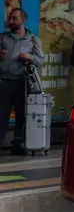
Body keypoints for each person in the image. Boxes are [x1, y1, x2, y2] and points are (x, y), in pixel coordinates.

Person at [0, 8, 44, 155]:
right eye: (10, 18)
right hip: (4, 82)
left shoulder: (32, 39)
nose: (10, 21)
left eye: (14, 18)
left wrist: (29, 57)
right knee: (2, 115)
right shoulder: (3, 37)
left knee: (21, 114)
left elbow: (40, 61)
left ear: (22, 20)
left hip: (21, 82)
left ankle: (18, 143)